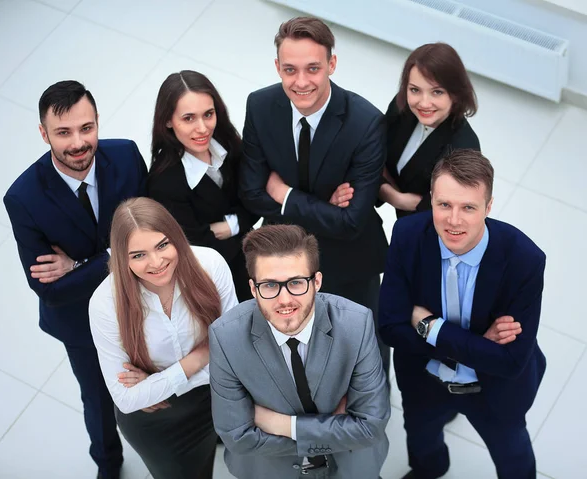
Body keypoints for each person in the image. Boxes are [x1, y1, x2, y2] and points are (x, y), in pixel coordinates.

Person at [3, 80, 147, 479]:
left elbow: (153, 232)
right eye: (63, 132)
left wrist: (83, 262)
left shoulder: (127, 155)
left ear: (97, 121)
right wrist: (119, 257)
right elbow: (49, 290)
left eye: (86, 128)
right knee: (97, 397)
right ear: (43, 133)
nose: (78, 143)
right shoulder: (23, 197)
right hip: (78, 319)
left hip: (143, 295)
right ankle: (108, 463)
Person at [379, 149, 546, 479]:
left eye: (468, 207)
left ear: (488, 207)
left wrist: (430, 326)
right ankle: (431, 469)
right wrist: (478, 345)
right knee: (422, 442)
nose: (454, 220)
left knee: (514, 458)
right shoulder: (408, 236)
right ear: (431, 199)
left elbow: (511, 361)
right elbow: (389, 327)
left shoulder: (524, 259)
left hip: (493, 391)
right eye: (444, 205)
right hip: (424, 380)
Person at [239, 16, 390, 371]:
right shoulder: (260, 106)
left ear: (332, 64)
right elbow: (251, 193)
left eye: (313, 69)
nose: (301, 82)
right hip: (285, 261)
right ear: (277, 66)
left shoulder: (366, 122)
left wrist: (286, 195)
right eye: (289, 69)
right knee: (298, 351)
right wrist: (323, 206)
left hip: (350, 262)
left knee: (365, 351)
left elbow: (351, 222)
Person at [209, 224, 390, 479]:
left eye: (296, 282)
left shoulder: (356, 323)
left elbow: (370, 426)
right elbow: (237, 436)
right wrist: (337, 431)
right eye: (270, 285)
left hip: (351, 468)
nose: (284, 300)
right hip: (269, 471)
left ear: (317, 281)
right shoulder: (225, 336)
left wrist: (284, 426)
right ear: (252, 289)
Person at [89, 197, 238, 479]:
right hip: (157, 420)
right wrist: (200, 356)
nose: (156, 263)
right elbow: (126, 399)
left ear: (176, 237)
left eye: (162, 245)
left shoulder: (210, 265)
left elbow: (233, 350)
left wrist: (156, 382)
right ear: (122, 257)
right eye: (138, 255)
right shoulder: (105, 304)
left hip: (218, 396)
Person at [147, 70, 258, 302]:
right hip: (216, 279)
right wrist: (241, 221)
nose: (202, 128)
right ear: (168, 121)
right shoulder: (163, 182)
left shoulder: (227, 141)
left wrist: (229, 226)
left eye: (208, 114)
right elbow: (198, 247)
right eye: (188, 118)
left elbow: (256, 200)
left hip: (252, 257)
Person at [378, 43, 479, 218]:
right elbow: (372, 150)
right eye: (415, 90)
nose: (424, 103)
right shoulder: (401, 107)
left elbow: (447, 211)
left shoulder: (464, 149)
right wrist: (394, 197)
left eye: (437, 92)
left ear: (455, 93)